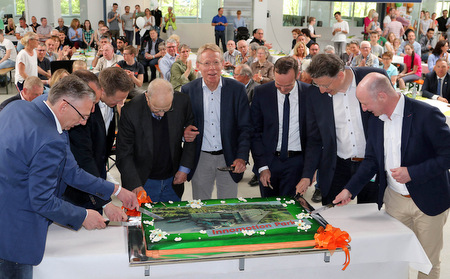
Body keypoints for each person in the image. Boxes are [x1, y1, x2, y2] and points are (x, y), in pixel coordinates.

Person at [0, 74, 138, 278]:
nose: (83, 123)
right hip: (15, 233)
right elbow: (42, 201)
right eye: (82, 116)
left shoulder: (17, 108)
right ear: (64, 106)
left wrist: (117, 190)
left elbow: (72, 172)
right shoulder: (49, 139)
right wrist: (83, 216)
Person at [333, 72, 450, 279]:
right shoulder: (375, 119)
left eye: (365, 103)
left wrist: (412, 173)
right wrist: (349, 189)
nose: (363, 109)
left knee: (427, 263)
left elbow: (447, 155)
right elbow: (371, 161)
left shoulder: (426, 115)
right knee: (394, 258)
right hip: (394, 201)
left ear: (382, 96)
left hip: (428, 201)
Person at [295, 53, 386, 205]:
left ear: (340, 75)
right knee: (332, 216)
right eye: (318, 85)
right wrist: (307, 174)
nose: (322, 90)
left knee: (370, 215)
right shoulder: (314, 94)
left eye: (325, 85)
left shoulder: (373, 78)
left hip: (371, 163)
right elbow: (314, 139)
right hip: (336, 165)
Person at [182, 43, 251, 200]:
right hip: (200, 158)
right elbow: (182, 124)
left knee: (228, 209)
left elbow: (246, 127)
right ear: (198, 66)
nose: (212, 68)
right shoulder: (188, 90)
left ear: (223, 64)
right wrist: (183, 132)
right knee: (201, 208)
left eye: (216, 62)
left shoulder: (237, 89)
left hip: (229, 159)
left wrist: (242, 157)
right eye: (206, 63)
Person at [65, 68, 134, 214]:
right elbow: (84, 159)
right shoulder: (82, 112)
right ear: (102, 91)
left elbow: (101, 155)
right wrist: (105, 202)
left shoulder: (111, 104)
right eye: (117, 100)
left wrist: (112, 187)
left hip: (98, 184)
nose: (121, 103)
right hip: (77, 192)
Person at [116, 78, 196, 201]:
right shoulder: (131, 111)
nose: (162, 114)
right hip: (143, 181)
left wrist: (184, 168)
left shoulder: (182, 102)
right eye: (157, 110)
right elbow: (124, 152)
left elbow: (192, 136)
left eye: (166, 109)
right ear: (147, 97)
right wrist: (134, 183)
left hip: (173, 180)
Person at [251, 56, 309, 197]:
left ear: (298, 75)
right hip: (269, 161)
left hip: (297, 163)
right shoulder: (261, 93)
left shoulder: (309, 94)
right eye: (278, 84)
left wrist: (309, 171)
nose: (283, 89)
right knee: (270, 210)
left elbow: (315, 136)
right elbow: (254, 132)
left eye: (288, 85)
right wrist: (262, 166)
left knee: (292, 210)